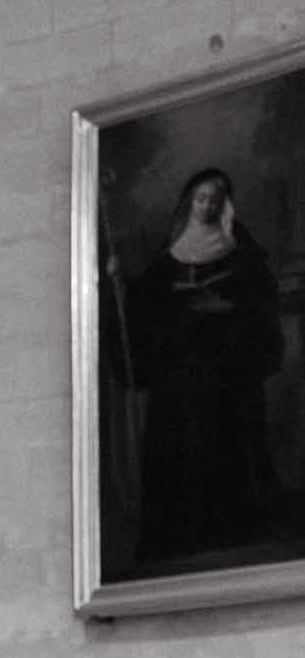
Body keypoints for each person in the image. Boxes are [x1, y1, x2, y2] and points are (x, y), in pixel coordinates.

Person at [125, 166, 283, 562]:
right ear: (189, 201)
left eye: (215, 199)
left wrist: (225, 306)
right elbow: (145, 302)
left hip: (227, 374)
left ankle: (228, 532)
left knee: (225, 447)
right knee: (179, 447)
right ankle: (179, 535)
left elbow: (261, 303)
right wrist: (122, 283)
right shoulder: (170, 251)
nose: (208, 205)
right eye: (201, 198)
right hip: (180, 374)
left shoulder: (240, 248)